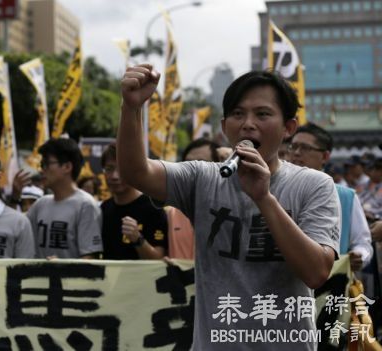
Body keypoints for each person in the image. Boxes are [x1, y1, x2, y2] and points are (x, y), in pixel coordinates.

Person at [118, 64, 339, 350]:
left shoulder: (315, 186)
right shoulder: (203, 177)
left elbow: (316, 272)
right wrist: (131, 107)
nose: (248, 124)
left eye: (262, 114)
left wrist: (264, 199)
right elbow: (136, 172)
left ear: (289, 128)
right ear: (224, 127)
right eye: (237, 114)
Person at [289, 123, 372, 272]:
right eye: (293, 147)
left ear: (325, 156)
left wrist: (358, 256)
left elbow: (362, 242)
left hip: (331, 286)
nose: (296, 153)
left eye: (305, 148)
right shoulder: (274, 190)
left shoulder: (346, 197)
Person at [16, 138, 102, 259]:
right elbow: (16, 234)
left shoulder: (86, 205)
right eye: (42, 165)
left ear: (67, 166)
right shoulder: (40, 204)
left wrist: (62, 267)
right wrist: (15, 197)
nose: (42, 170)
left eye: (46, 164)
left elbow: (90, 257)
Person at [100, 144, 167, 260]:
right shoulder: (104, 208)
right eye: (109, 169)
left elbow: (158, 260)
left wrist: (138, 239)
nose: (114, 176)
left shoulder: (153, 207)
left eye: (121, 169)